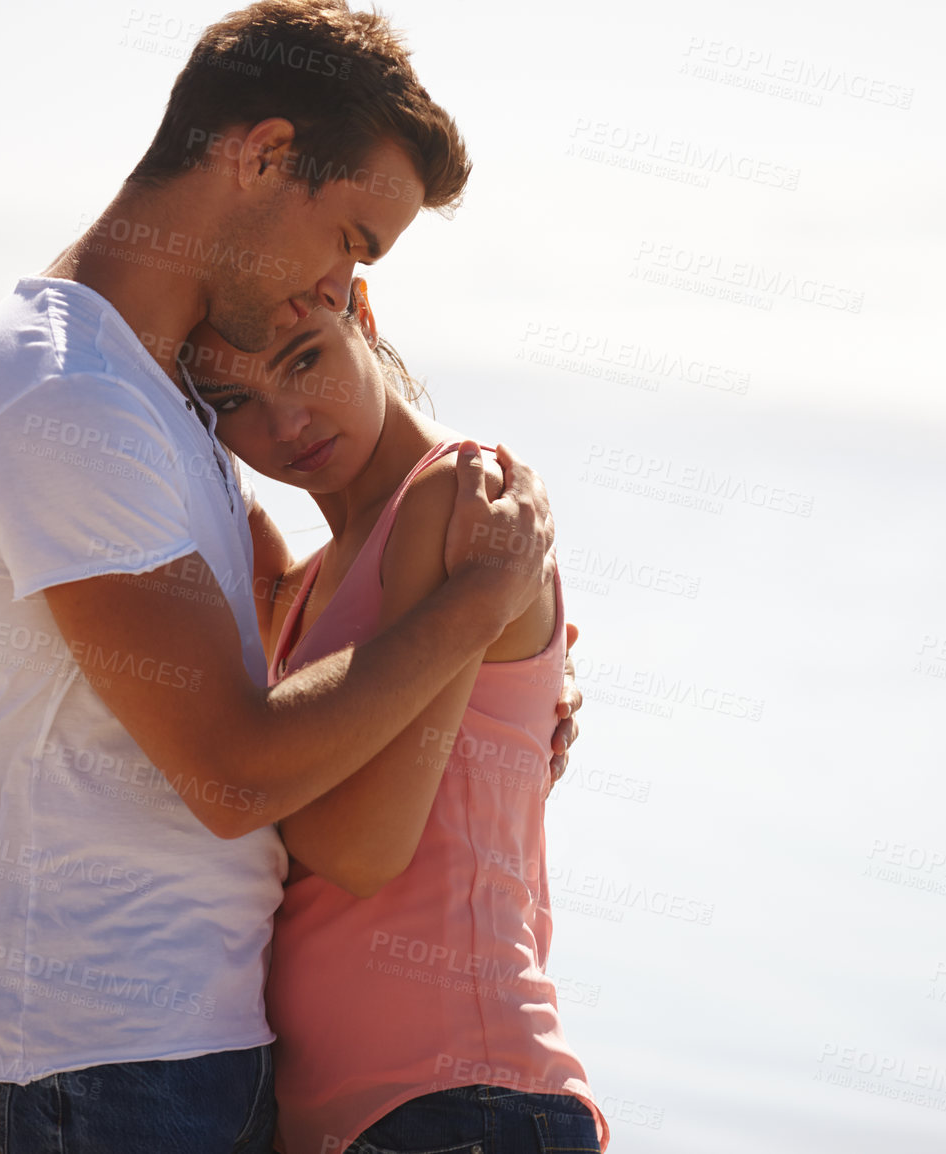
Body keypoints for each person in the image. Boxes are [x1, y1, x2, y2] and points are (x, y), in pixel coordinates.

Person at [0, 4, 581, 1151]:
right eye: (354, 237)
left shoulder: (161, 402)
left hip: (181, 1048)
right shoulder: (70, 394)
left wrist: (491, 736)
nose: (337, 279)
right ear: (264, 153)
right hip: (103, 1051)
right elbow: (233, 768)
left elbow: (306, 748)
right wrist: (469, 611)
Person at [183, 277, 606, 1154]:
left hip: (460, 1100)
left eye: (307, 361)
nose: (289, 422)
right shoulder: (301, 591)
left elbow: (358, 849)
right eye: (234, 401)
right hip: (364, 1118)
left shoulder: (458, 497)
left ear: (362, 315)